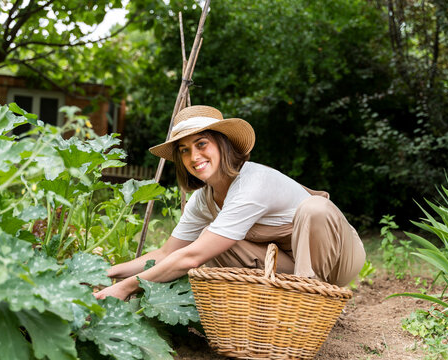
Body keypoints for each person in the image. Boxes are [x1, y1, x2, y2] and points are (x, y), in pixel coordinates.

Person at [94, 105, 366, 300]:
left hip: (338, 257)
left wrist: (125, 288)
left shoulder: (252, 183)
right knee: (213, 240)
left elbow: (190, 257)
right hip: (291, 266)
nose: (193, 156)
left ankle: (309, 304)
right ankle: (286, 302)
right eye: (184, 150)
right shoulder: (203, 200)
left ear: (222, 144)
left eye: (201, 144)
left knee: (314, 208)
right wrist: (108, 274)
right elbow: (167, 254)